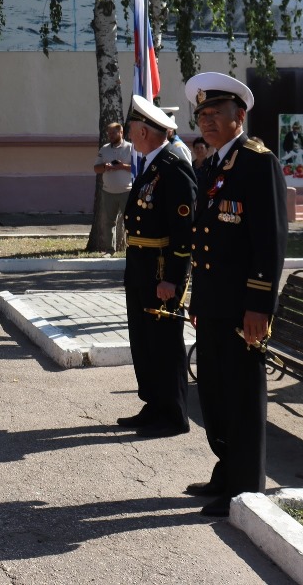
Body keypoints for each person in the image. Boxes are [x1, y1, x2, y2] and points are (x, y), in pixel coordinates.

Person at [183, 72, 286, 518]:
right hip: (212, 304)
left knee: (242, 397)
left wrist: (259, 306)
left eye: (215, 113)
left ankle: (245, 488)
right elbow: (204, 241)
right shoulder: (212, 165)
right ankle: (226, 469)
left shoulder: (257, 163)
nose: (206, 121)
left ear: (238, 116)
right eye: (201, 114)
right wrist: (196, 301)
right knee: (214, 394)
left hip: (243, 307)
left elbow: (269, 241)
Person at [116, 97, 196, 438]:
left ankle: (174, 414)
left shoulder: (172, 166)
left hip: (160, 269)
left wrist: (174, 281)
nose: (129, 134)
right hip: (140, 265)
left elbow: (185, 231)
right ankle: (153, 403)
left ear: (145, 130)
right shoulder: (152, 164)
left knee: (164, 343)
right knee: (144, 340)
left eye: (132, 129)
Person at [92, 122, 134, 254]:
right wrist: (105, 167)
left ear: (121, 133)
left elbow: (138, 169)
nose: (110, 135)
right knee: (109, 222)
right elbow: (96, 168)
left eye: (113, 133)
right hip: (108, 191)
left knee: (130, 222)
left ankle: (132, 249)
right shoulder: (104, 149)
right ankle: (110, 250)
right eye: (109, 133)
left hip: (126, 191)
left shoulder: (131, 148)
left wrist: (122, 166)